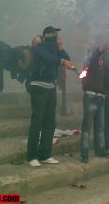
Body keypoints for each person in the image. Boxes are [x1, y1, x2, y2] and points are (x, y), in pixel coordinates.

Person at [26, 26, 73, 167]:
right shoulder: (40, 48)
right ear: (47, 36)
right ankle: (32, 156)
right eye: (54, 35)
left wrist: (61, 47)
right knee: (37, 122)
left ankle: (45, 155)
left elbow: (67, 59)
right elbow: (50, 59)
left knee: (49, 123)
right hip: (38, 87)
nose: (56, 37)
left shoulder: (54, 49)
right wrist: (62, 61)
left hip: (50, 88)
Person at [80, 44, 109, 163]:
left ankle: (100, 150)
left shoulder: (101, 65)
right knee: (87, 127)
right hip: (90, 96)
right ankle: (84, 154)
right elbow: (94, 58)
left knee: (100, 126)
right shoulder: (90, 62)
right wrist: (98, 51)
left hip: (100, 97)